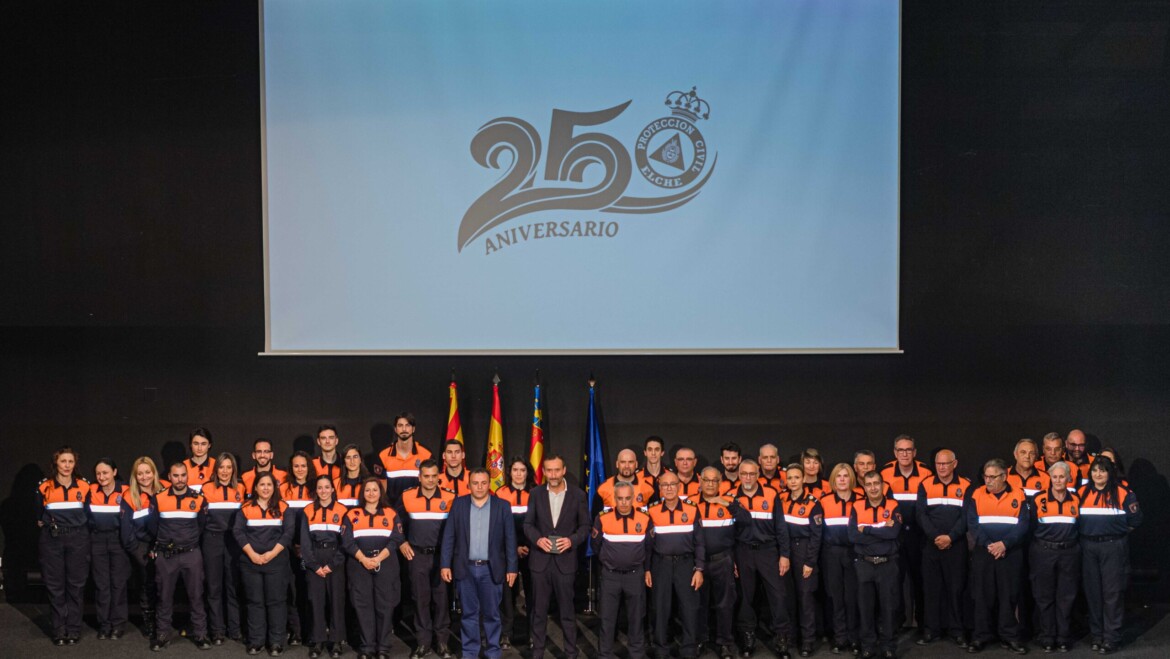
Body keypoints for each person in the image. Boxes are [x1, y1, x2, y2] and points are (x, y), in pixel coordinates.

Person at [441, 468, 518, 659]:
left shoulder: (502, 506)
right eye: (475, 483)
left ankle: (493, 652)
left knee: (492, 615)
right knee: (468, 615)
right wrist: (444, 564)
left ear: (489, 483)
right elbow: (449, 536)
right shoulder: (458, 504)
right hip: (465, 569)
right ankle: (470, 653)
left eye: (484, 483)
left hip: (491, 570)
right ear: (469, 484)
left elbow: (510, 539)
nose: (480, 487)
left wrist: (512, 567)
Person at [524, 454, 591, 659]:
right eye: (549, 470)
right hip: (540, 562)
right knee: (539, 612)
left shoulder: (578, 495)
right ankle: (538, 653)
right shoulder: (535, 493)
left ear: (564, 470)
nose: (553, 475)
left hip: (566, 561)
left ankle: (571, 653)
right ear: (543, 472)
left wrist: (571, 540)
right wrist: (538, 540)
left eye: (556, 470)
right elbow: (528, 524)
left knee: (567, 612)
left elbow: (585, 526)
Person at [1078, 455, 1142, 654]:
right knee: (1093, 593)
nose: (1098, 474)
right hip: (1088, 547)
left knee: (1112, 594)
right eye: (1095, 470)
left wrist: (1116, 535)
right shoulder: (1081, 492)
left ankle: (1112, 637)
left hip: (1113, 547)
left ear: (1110, 473)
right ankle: (1097, 635)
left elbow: (1135, 520)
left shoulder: (1123, 493)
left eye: (1103, 470)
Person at [965, 458, 1029, 654]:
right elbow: (973, 524)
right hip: (984, 553)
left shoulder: (1019, 495)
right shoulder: (976, 494)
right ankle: (981, 636)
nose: (988, 481)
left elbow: (1023, 526)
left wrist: (1005, 544)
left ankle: (1009, 636)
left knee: (1008, 595)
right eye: (986, 477)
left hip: (1010, 553)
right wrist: (990, 545)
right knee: (982, 595)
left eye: (993, 477)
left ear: (1004, 476)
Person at [728, 458, 791, 657]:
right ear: (739, 475)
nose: (748, 477)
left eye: (752, 474)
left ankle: (781, 639)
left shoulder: (771, 494)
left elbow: (781, 527)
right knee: (746, 597)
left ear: (758, 475)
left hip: (768, 551)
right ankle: (748, 639)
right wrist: (732, 559)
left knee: (778, 595)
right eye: (744, 473)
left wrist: (784, 555)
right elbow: (727, 532)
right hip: (742, 551)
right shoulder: (731, 497)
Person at [396, 459, 457, 659]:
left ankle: (442, 643)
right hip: (417, 556)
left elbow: (457, 529)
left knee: (441, 600)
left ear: (439, 476)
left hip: (442, 557)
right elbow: (395, 522)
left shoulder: (450, 498)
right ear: (419, 477)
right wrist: (402, 542)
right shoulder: (407, 496)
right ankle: (423, 643)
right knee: (420, 600)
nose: (430, 480)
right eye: (426, 476)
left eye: (434, 476)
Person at [148, 461, 211, 650]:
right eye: (175, 476)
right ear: (169, 477)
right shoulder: (158, 498)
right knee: (164, 597)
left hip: (191, 554)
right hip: (166, 556)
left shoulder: (199, 499)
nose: (180, 479)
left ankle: (200, 634)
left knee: (196, 596)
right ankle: (162, 635)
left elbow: (201, 525)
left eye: (183, 475)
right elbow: (152, 526)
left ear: (187, 476)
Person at [343, 476, 407, 659]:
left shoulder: (391, 513)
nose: (371, 493)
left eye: (375, 490)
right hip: (358, 564)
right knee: (363, 606)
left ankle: (383, 648)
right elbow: (347, 542)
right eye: (367, 490)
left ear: (381, 492)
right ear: (363, 493)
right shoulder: (352, 515)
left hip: (385, 564)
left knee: (385, 606)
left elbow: (396, 539)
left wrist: (378, 558)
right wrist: (364, 559)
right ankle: (367, 647)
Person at [235, 472, 296, 656]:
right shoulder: (245, 507)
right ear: (255, 487)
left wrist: (271, 554)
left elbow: (288, 534)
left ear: (275, 487)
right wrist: (252, 554)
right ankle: (256, 641)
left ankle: (276, 641)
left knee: (276, 601)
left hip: (276, 562)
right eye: (262, 484)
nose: (266, 488)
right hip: (250, 562)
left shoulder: (284, 508)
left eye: (269, 484)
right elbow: (238, 532)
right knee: (255, 602)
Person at [915, 449, 970, 648]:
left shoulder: (966, 485)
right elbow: (921, 515)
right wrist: (936, 537)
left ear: (955, 464)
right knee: (931, 590)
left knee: (956, 589)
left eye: (945, 464)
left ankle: (957, 631)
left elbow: (966, 517)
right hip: (931, 545)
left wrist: (950, 537)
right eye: (938, 464)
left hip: (956, 545)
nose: (941, 467)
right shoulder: (926, 484)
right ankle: (931, 630)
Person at [647, 470, 705, 659]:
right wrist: (647, 569)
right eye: (665, 485)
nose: (669, 488)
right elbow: (647, 545)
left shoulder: (691, 508)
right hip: (660, 565)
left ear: (679, 486)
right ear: (660, 488)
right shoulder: (652, 510)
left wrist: (699, 569)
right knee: (660, 608)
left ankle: (689, 648)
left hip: (686, 565)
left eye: (673, 484)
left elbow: (700, 542)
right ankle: (661, 649)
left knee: (689, 608)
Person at [592, 481, 653, 659]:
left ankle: (636, 654)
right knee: (607, 620)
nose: (624, 502)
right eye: (620, 499)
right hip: (610, 576)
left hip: (635, 576)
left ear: (633, 498)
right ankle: (605, 655)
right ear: (614, 499)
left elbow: (649, 547)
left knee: (636, 619)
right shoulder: (603, 517)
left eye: (628, 498)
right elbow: (596, 546)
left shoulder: (645, 518)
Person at [37, 447, 91, 646]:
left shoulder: (84, 486)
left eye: (70, 461)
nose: (67, 465)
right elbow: (38, 516)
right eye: (63, 461)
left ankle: (74, 629)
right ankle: (59, 629)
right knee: (55, 586)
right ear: (56, 464)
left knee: (76, 586)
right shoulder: (45, 487)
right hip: (52, 540)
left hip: (78, 539)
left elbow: (89, 514)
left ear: (74, 464)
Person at [694, 467, 749, 659]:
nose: (710, 484)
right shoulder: (691, 503)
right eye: (707, 480)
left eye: (714, 480)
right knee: (698, 604)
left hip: (723, 561)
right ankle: (700, 640)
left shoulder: (730, 502)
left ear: (720, 483)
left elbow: (746, 519)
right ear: (700, 481)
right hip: (698, 564)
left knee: (725, 604)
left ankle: (725, 642)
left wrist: (724, 502)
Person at [848, 471, 902, 659]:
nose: (873, 487)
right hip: (865, 565)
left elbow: (893, 533)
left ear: (882, 485)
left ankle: (888, 646)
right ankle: (868, 645)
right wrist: (881, 529)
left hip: (887, 565)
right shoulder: (857, 506)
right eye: (869, 484)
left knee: (888, 608)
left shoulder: (893, 505)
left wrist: (868, 530)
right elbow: (853, 536)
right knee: (865, 608)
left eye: (876, 483)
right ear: (864, 486)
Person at [879, 436, 931, 633]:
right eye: (900, 450)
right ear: (895, 452)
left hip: (920, 535)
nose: (905, 454)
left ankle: (923, 624)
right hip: (896, 536)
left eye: (908, 450)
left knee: (921, 581)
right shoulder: (885, 472)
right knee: (894, 582)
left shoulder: (926, 472)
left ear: (915, 452)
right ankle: (896, 623)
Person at [1029, 461, 1080, 653]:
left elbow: (1080, 526)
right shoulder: (1037, 499)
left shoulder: (1076, 499)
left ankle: (1063, 637)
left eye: (1062, 477)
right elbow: (1030, 527)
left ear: (1068, 478)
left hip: (1069, 553)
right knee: (1044, 596)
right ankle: (1047, 636)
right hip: (1043, 552)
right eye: (1055, 477)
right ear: (1050, 478)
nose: (1058, 480)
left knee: (1066, 597)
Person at [301, 474, 348, 659]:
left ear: (333, 489)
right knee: (316, 601)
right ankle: (318, 640)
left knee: (337, 601)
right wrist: (313, 565)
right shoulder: (307, 511)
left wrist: (333, 564)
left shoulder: (343, 510)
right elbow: (305, 542)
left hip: (335, 558)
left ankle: (336, 641)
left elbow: (346, 542)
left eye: (327, 487)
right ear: (316, 491)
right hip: (315, 558)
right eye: (320, 488)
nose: (323, 491)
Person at [202, 451, 245, 645]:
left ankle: (235, 629)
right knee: (214, 587)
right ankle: (217, 630)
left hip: (234, 542)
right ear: (216, 469)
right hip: (212, 541)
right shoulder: (206, 488)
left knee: (233, 586)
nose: (225, 471)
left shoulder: (241, 488)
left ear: (234, 469)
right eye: (221, 467)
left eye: (229, 467)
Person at [781, 464, 823, 657]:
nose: (793, 481)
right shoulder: (781, 499)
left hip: (805, 551)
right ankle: (791, 637)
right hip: (786, 551)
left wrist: (810, 562)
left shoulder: (813, 503)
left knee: (805, 598)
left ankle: (807, 641)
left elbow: (816, 536)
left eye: (797, 478)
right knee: (788, 597)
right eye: (790, 478)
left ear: (803, 479)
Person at [121, 456, 164, 638]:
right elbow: (126, 532)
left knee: (164, 583)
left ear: (154, 473)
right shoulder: (130, 496)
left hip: (163, 544)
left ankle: (163, 620)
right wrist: (139, 553)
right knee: (147, 583)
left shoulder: (166, 489)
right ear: (135, 476)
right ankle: (149, 622)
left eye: (148, 472)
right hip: (141, 546)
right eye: (140, 473)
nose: (144, 477)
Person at [89, 457, 131, 640]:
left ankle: (118, 624)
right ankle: (104, 624)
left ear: (114, 472)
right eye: (98, 473)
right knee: (102, 585)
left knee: (118, 584)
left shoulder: (126, 491)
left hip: (118, 542)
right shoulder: (90, 490)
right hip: (97, 541)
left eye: (105, 472)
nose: (101, 476)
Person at [820, 464, 860, 654]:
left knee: (852, 597)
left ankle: (854, 638)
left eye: (846, 476)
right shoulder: (824, 501)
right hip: (832, 554)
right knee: (835, 597)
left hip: (854, 554)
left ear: (851, 479)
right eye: (839, 476)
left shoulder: (861, 500)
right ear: (833, 480)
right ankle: (840, 638)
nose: (842, 479)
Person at [497, 457, 534, 652]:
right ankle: (506, 634)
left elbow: (539, 524)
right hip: (508, 552)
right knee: (507, 596)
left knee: (533, 595)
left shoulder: (536, 493)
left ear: (527, 472)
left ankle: (532, 635)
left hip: (532, 551)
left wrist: (526, 546)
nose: (519, 474)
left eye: (523, 470)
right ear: (509, 473)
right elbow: (498, 527)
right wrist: (514, 548)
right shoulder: (500, 493)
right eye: (515, 470)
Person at [281, 451, 317, 648]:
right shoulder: (284, 488)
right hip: (288, 548)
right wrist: (293, 545)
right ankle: (296, 631)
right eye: (296, 466)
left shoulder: (316, 488)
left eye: (303, 465)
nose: (300, 469)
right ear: (291, 468)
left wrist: (305, 545)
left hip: (310, 549)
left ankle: (312, 631)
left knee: (310, 591)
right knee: (292, 591)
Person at [378, 413, 433, 505]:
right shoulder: (383, 455)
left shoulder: (426, 454)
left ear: (413, 429)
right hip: (392, 509)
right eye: (400, 425)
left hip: (417, 508)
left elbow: (432, 484)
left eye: (407, 425)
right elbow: (380, 489)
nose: (404, 429)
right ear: (395, 429)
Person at [184, 428, 217, 493]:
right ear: (190, 445)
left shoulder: (217, 465)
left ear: (209, 445)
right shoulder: (183, 466)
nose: (199, 448)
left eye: (203, 444)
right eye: (196, 444)